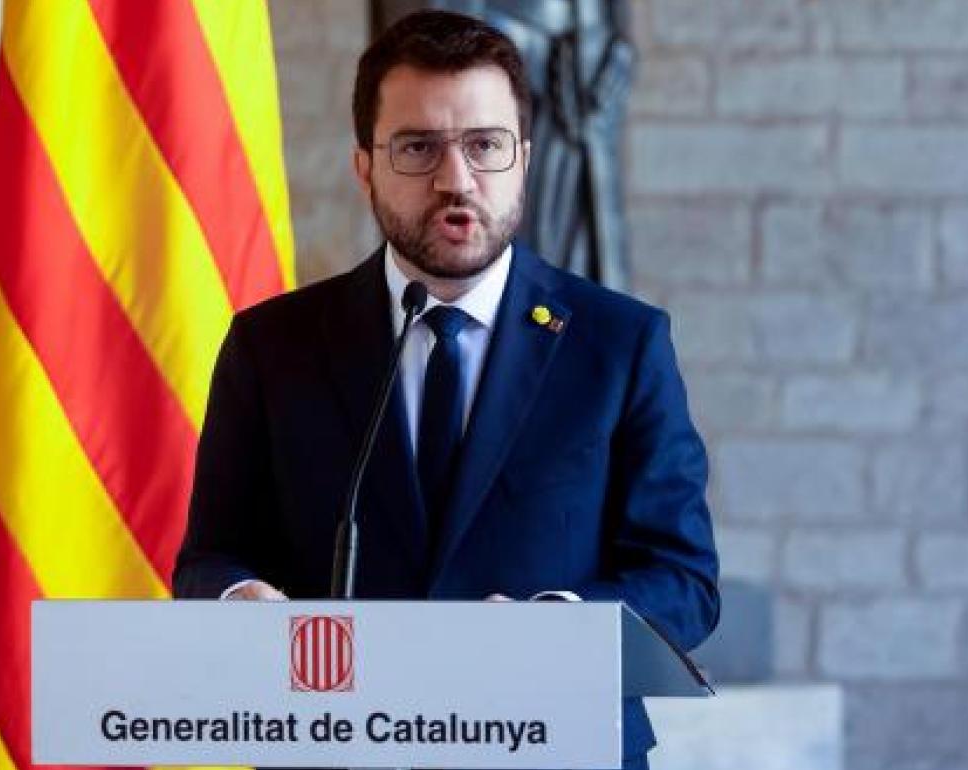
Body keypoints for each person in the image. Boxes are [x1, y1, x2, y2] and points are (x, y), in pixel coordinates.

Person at [173, 10, 719, 768]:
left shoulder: (621, 344)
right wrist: (240, 599)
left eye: (486, 145)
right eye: (418, 147)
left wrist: (560, 628)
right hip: (337, 748)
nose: (455, 180)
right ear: (364, 166)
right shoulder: (271, 346)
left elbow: (684, 582)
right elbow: (210, 558)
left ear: (524, 160)